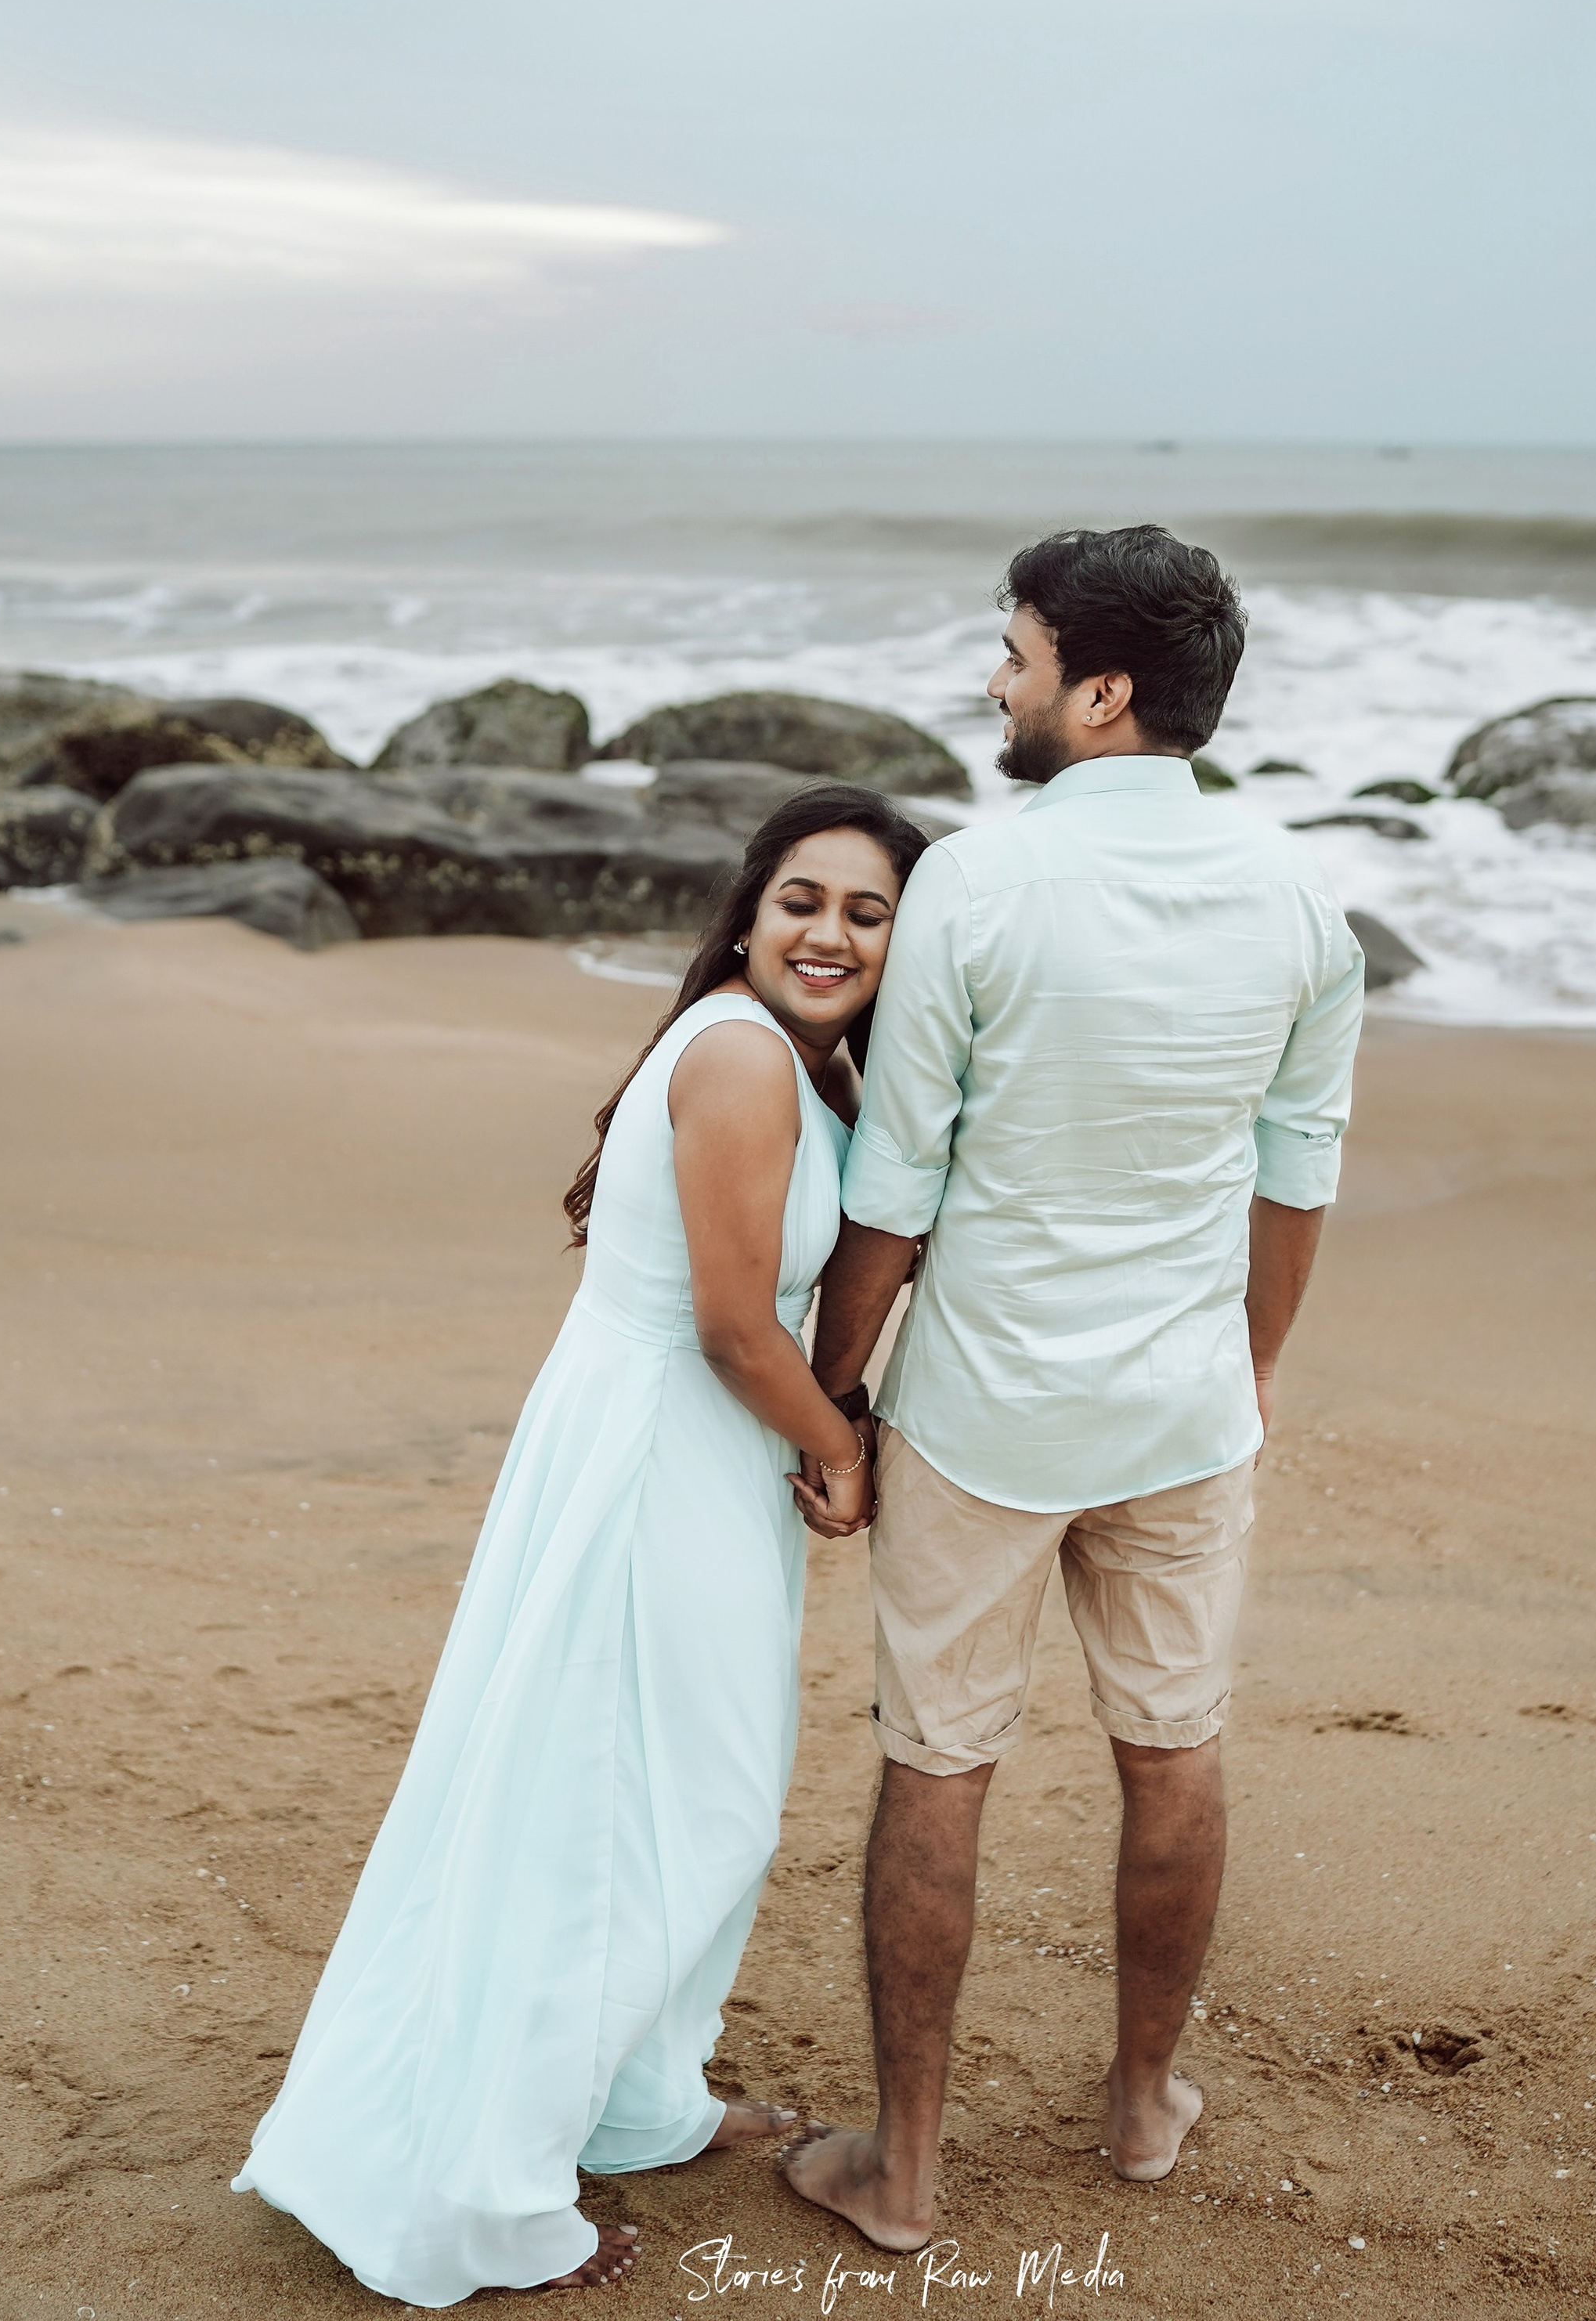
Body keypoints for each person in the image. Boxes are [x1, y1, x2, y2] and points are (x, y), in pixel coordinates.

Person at [233, 785, 927, 2305]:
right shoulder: (744, 1061)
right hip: (654, 1461)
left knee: (683, 1799)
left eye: (866, 914)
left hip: (683, 1452)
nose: (826, 933)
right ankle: (480, 2197)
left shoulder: (805, 1065)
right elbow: (736, 1327)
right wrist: (837, 1453)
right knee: (628, 1811)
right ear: (747, 912)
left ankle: (635, 2101)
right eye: (801, 900)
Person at [781, 526, 1367, 2251]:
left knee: (936, 1765)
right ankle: (1137, 2107)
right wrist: (1241, 1377)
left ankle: (901, 2166)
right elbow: (1295, 1174)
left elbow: (896, 1187)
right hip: (1182, 1413)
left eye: (1017, 655)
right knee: (1170, 1750)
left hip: (982, 1418)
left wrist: (832, 1407)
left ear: (1099, 692)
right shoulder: (1297, 896)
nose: (995, 682)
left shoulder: (977, 880)